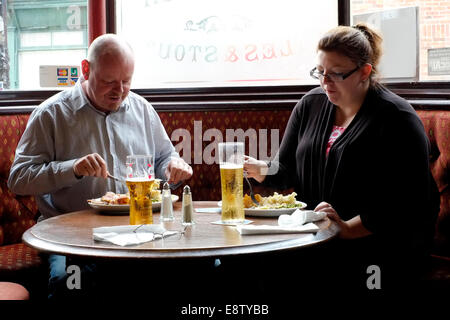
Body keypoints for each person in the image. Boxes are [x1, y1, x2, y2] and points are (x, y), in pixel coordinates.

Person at [244, 24, 440, 294]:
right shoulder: (310, 105)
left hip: (384, 246)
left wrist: (348, 229)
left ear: (364, 72)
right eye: (320, 72)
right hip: (316, 237)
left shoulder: (396, 118)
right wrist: (262, 169)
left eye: (336, 74)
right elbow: (286, 167)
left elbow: (409, 201)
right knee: (251, 269)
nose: (325, 82)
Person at [7, 34, 193, 299]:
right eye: (108, 82)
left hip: (138, 229)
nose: (119, 91)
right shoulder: (51, 114)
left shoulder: (142, 110)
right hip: (70, 236)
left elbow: (165, 158)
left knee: (198, 269)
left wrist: (173, 167)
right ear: (86, 69)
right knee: (67, 284)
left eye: (126, 81)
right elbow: (19, 179)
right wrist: (72, 168)